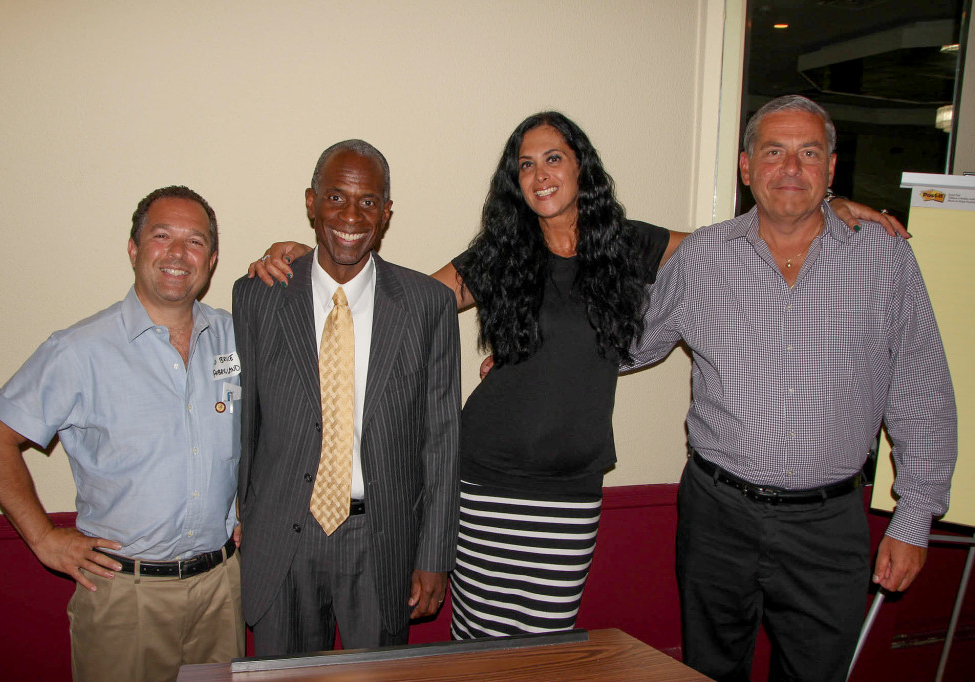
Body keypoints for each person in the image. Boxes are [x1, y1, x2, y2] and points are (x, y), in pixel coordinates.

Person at [247, 114, 909, 642]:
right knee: (477, 642)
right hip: (481, 483)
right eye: (526, 164)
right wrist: (322, 263)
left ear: (580, 166)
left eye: (553, 158)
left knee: (544, 646)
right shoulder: (501, 252)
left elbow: (736, 240)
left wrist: (828, 204)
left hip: (568, 491)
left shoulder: (626, 242)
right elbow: (405, 300)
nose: (540, 174)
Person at [627, 95, 957, 682]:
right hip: (717, 513)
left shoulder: (884, 256)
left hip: (829, 525)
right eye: (774, 152)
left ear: (831, 170)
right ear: (746, 167)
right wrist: (531, 350)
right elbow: (629, 344)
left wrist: (913, 519)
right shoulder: (704, 256)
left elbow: (922, 389)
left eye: (809, 153)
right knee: (709, 669)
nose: (791, 168)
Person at [0, 186, 244, 682]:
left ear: (213, 258)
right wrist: (43, 539)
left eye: (196, 241)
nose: (178, 253)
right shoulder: (79, 351)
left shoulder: (236, 335)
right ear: (134, 249)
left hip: (221, 590)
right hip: (126, 597)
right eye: (162, 236)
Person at [232, 140, 461, 655]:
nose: (351, 215)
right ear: (311, 202)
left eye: (368, 202)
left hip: (381, 539)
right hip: (283, 538)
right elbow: (245, 424)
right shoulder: (257, 297)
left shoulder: (428, 305)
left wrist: (434, 554)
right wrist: (242, 512)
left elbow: (442, 439)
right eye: (336, 198)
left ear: (385, 213)